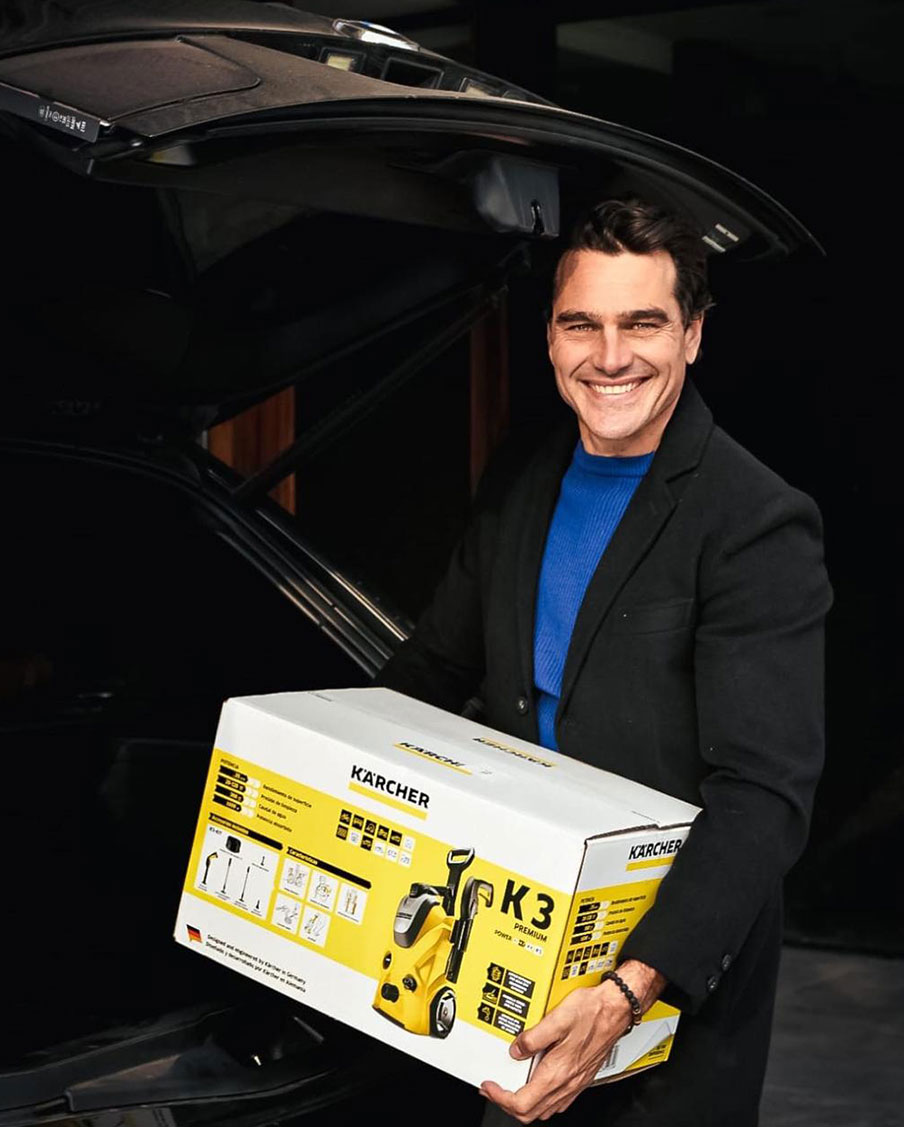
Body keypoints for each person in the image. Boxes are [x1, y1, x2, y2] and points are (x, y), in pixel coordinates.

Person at [375, 198, 831, 1126]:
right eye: (582, 323)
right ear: (550, 337)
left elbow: (763, 796)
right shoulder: (521, 480)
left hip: (662, 995)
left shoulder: (754, 521)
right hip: (511, 947)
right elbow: (429, 673)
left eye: (643, 324)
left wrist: (629, 988)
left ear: (693, 335)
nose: (611, 355)